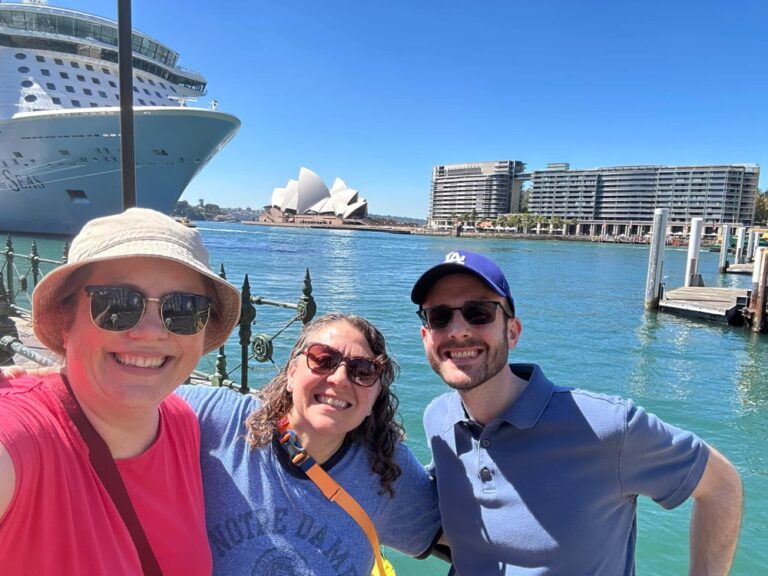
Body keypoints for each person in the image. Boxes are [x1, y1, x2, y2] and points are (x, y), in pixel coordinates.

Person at [410, 249, 743, 575]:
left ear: (512, 332)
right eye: (439, 317)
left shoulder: (608, 427)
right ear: (426, 336)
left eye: (478, 312)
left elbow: (721, 485)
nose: (456, 330)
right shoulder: (438, 419)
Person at [0, 208, 242, 574]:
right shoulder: (20, 435)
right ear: (66, 320)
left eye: (184, 309)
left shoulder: (183, 424)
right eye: (117, 303)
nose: (151, 332)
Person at [175, 312, 442, 575]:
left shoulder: (385, 468)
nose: (339, 379)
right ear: (291, 373)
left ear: (375, 397)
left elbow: (465, 538)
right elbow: (138, 410)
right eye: (323, 360)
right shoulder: (220, 419)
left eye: (362, 371)